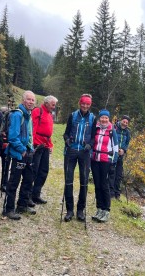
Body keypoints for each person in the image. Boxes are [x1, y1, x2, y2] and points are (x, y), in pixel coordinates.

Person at [2, 90, 37, 220]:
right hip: (18, 153)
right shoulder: (18, 115)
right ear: (23, 100)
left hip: (27, 152)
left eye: (33, 100)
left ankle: (22, 204)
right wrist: (22, 150)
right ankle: (8, 209)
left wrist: (30, 149)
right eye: (29, 99)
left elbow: (29, 135)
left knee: (28, 179)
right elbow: (12, 136)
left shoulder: (29, 115)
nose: (31, 102)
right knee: (14, 182)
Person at [62, 94, 95, 222]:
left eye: (87, 104)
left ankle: (80, 210)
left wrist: (89, 145)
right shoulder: (73, 115)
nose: (85, 106)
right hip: (71, 151)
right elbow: (66, 132)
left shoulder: (92, 118)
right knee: (68, 181)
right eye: (83, 103)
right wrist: (66, 141)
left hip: (84, 153)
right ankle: (69, 210)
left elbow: (93, 137)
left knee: (84, 182)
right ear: (79, 103)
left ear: (90, 105)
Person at [91, 109, 119, 223]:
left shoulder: (112, 131)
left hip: (106, 161)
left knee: (104, 185)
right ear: (99, 118)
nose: (104, 120)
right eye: (102, 117)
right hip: (95, 160)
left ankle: (106, 210)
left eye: (106, 118)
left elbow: (116, 148)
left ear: (109, 119)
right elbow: (92, 142)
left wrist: (114, 163)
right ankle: (99, 209)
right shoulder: (96, 128)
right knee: (97, 185)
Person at [30, 95, 58, 204]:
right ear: (46, 103)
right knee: (34, 170)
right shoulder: (38, 111)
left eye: (54, 105)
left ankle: (36, 194)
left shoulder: (49, 114)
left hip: (45, 146)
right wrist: (33, 144)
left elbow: (49, 132)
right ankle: (27, 196)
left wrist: (50, 145)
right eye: (53, 104)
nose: (54, 107)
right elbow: (33, 127)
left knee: (43, 171)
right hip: (37, 145)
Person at [108, 115, 131, 200]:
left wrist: (124, 150)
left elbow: (127, 143)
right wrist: (114, 149)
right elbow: (109, 140)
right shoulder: (114, 128)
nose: (125, 124)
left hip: (120, 157)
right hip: (112, 155)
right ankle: (111, 194)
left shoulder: (127, 132)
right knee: (111, 174)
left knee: (118, 176)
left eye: (126, 123)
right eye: (124, 121)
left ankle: (117, 194)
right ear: (121, 121)